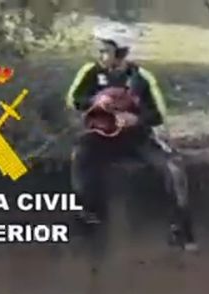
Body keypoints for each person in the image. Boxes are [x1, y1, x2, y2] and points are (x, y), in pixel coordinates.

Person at [65, 24, 196, 249]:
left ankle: (181, 228)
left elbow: (159, 113)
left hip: (136, 138)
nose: (100, 55)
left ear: (121, 52)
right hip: (100, 136)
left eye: (105, 50)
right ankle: (89, 216)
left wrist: (137, 119)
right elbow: (73, 99)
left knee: (173, 168)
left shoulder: (141, 77)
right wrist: (94, 101)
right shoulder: (90, 72)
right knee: (80, 155)